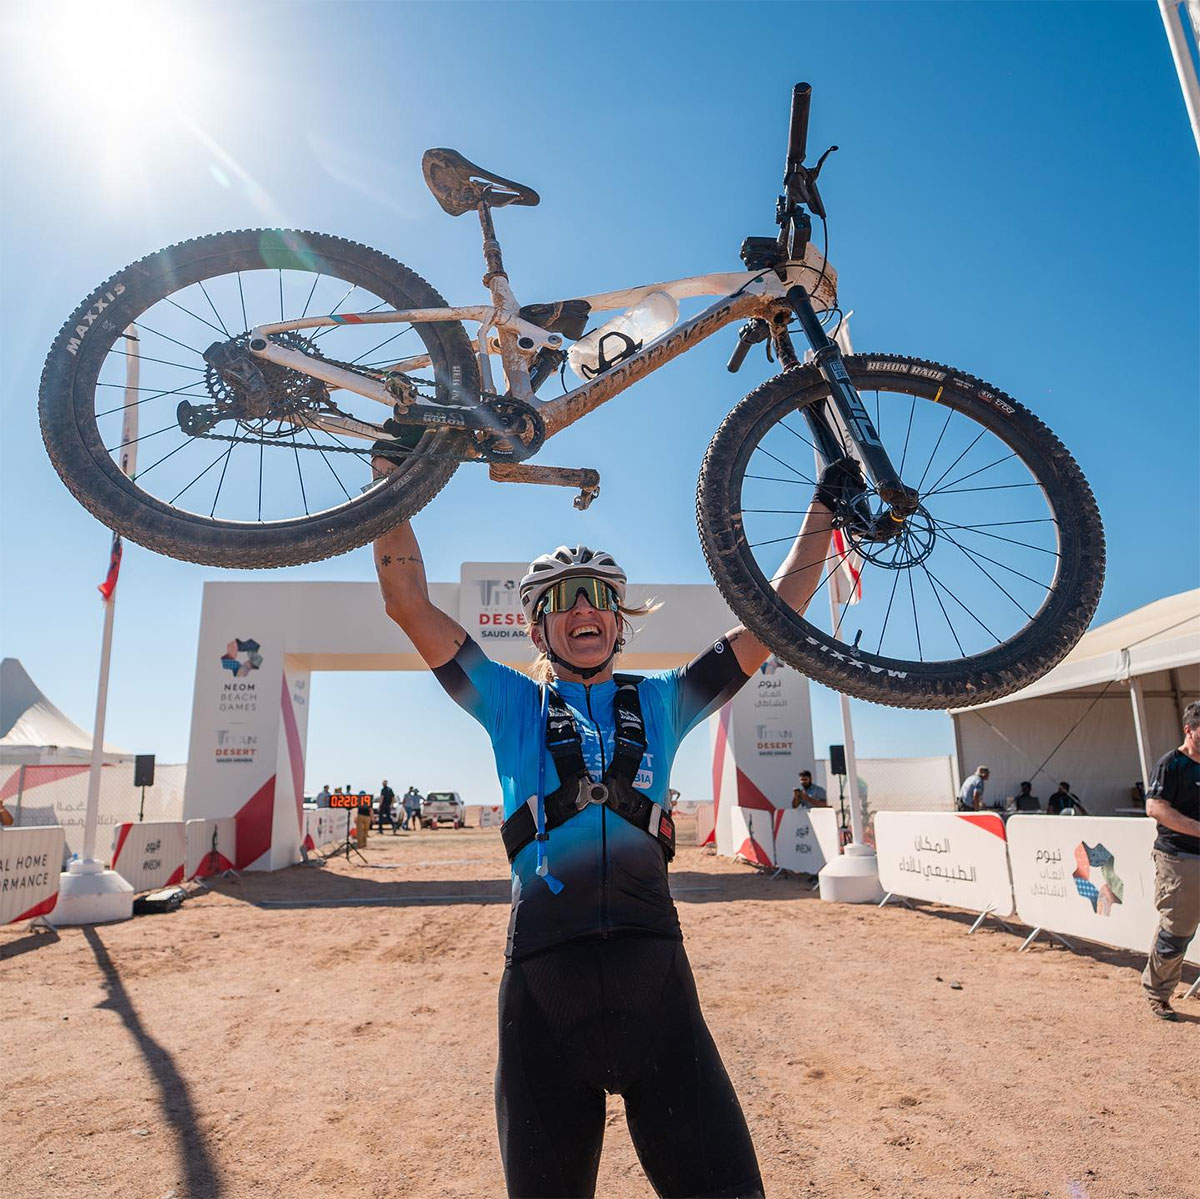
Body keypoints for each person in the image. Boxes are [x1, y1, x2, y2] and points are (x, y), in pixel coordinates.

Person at [372, 452, 837, 1198]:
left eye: (597, 595)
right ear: (537, 623)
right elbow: (406, 603)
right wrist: (393, 475)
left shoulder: (664, 701)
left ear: (618, 619)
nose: (583, 607)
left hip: (657, 989)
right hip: (543, 998)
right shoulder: (509, 703)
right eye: (563, 598)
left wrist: (826, 505)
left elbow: (772, 618)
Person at [1141, 701, 1200, 1022]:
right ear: (1188, 730)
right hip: (1179, 858)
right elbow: (1156, 808)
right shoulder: (1171, 764)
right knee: (1177, 930)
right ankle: (1159, 993)